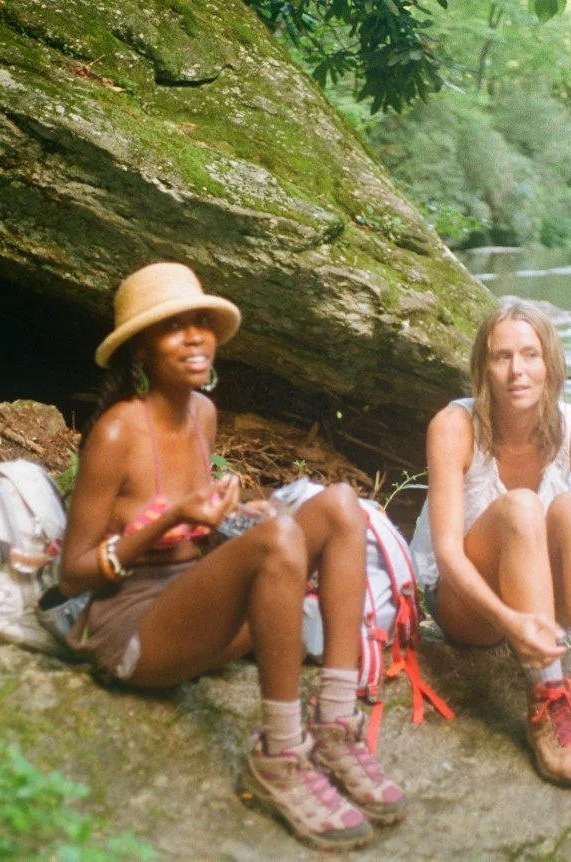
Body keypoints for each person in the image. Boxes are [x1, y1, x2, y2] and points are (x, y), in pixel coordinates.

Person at [58, 262, 406, 849]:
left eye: (201, 322)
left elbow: (196, 538)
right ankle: (279, 755)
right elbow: (72, 574)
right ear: (140, 348)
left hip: (197, 607)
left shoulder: (204, 415)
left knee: (342, 504)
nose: (195, 337)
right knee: (278, 542)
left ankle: (334, 725)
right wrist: (170, 518)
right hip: (136, 632)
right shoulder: (118, 432)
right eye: (173, 327)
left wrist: (233, 518)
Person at [409, 298, 571, 790]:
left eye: (530, 355)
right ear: (484, 368)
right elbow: (448, 555)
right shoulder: (454, 427)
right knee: (521, 507)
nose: (517, 371)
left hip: (539, 601)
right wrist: (508, 621)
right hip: (468, 605)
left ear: (550, 364)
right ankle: (549, 699)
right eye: (502, 357)